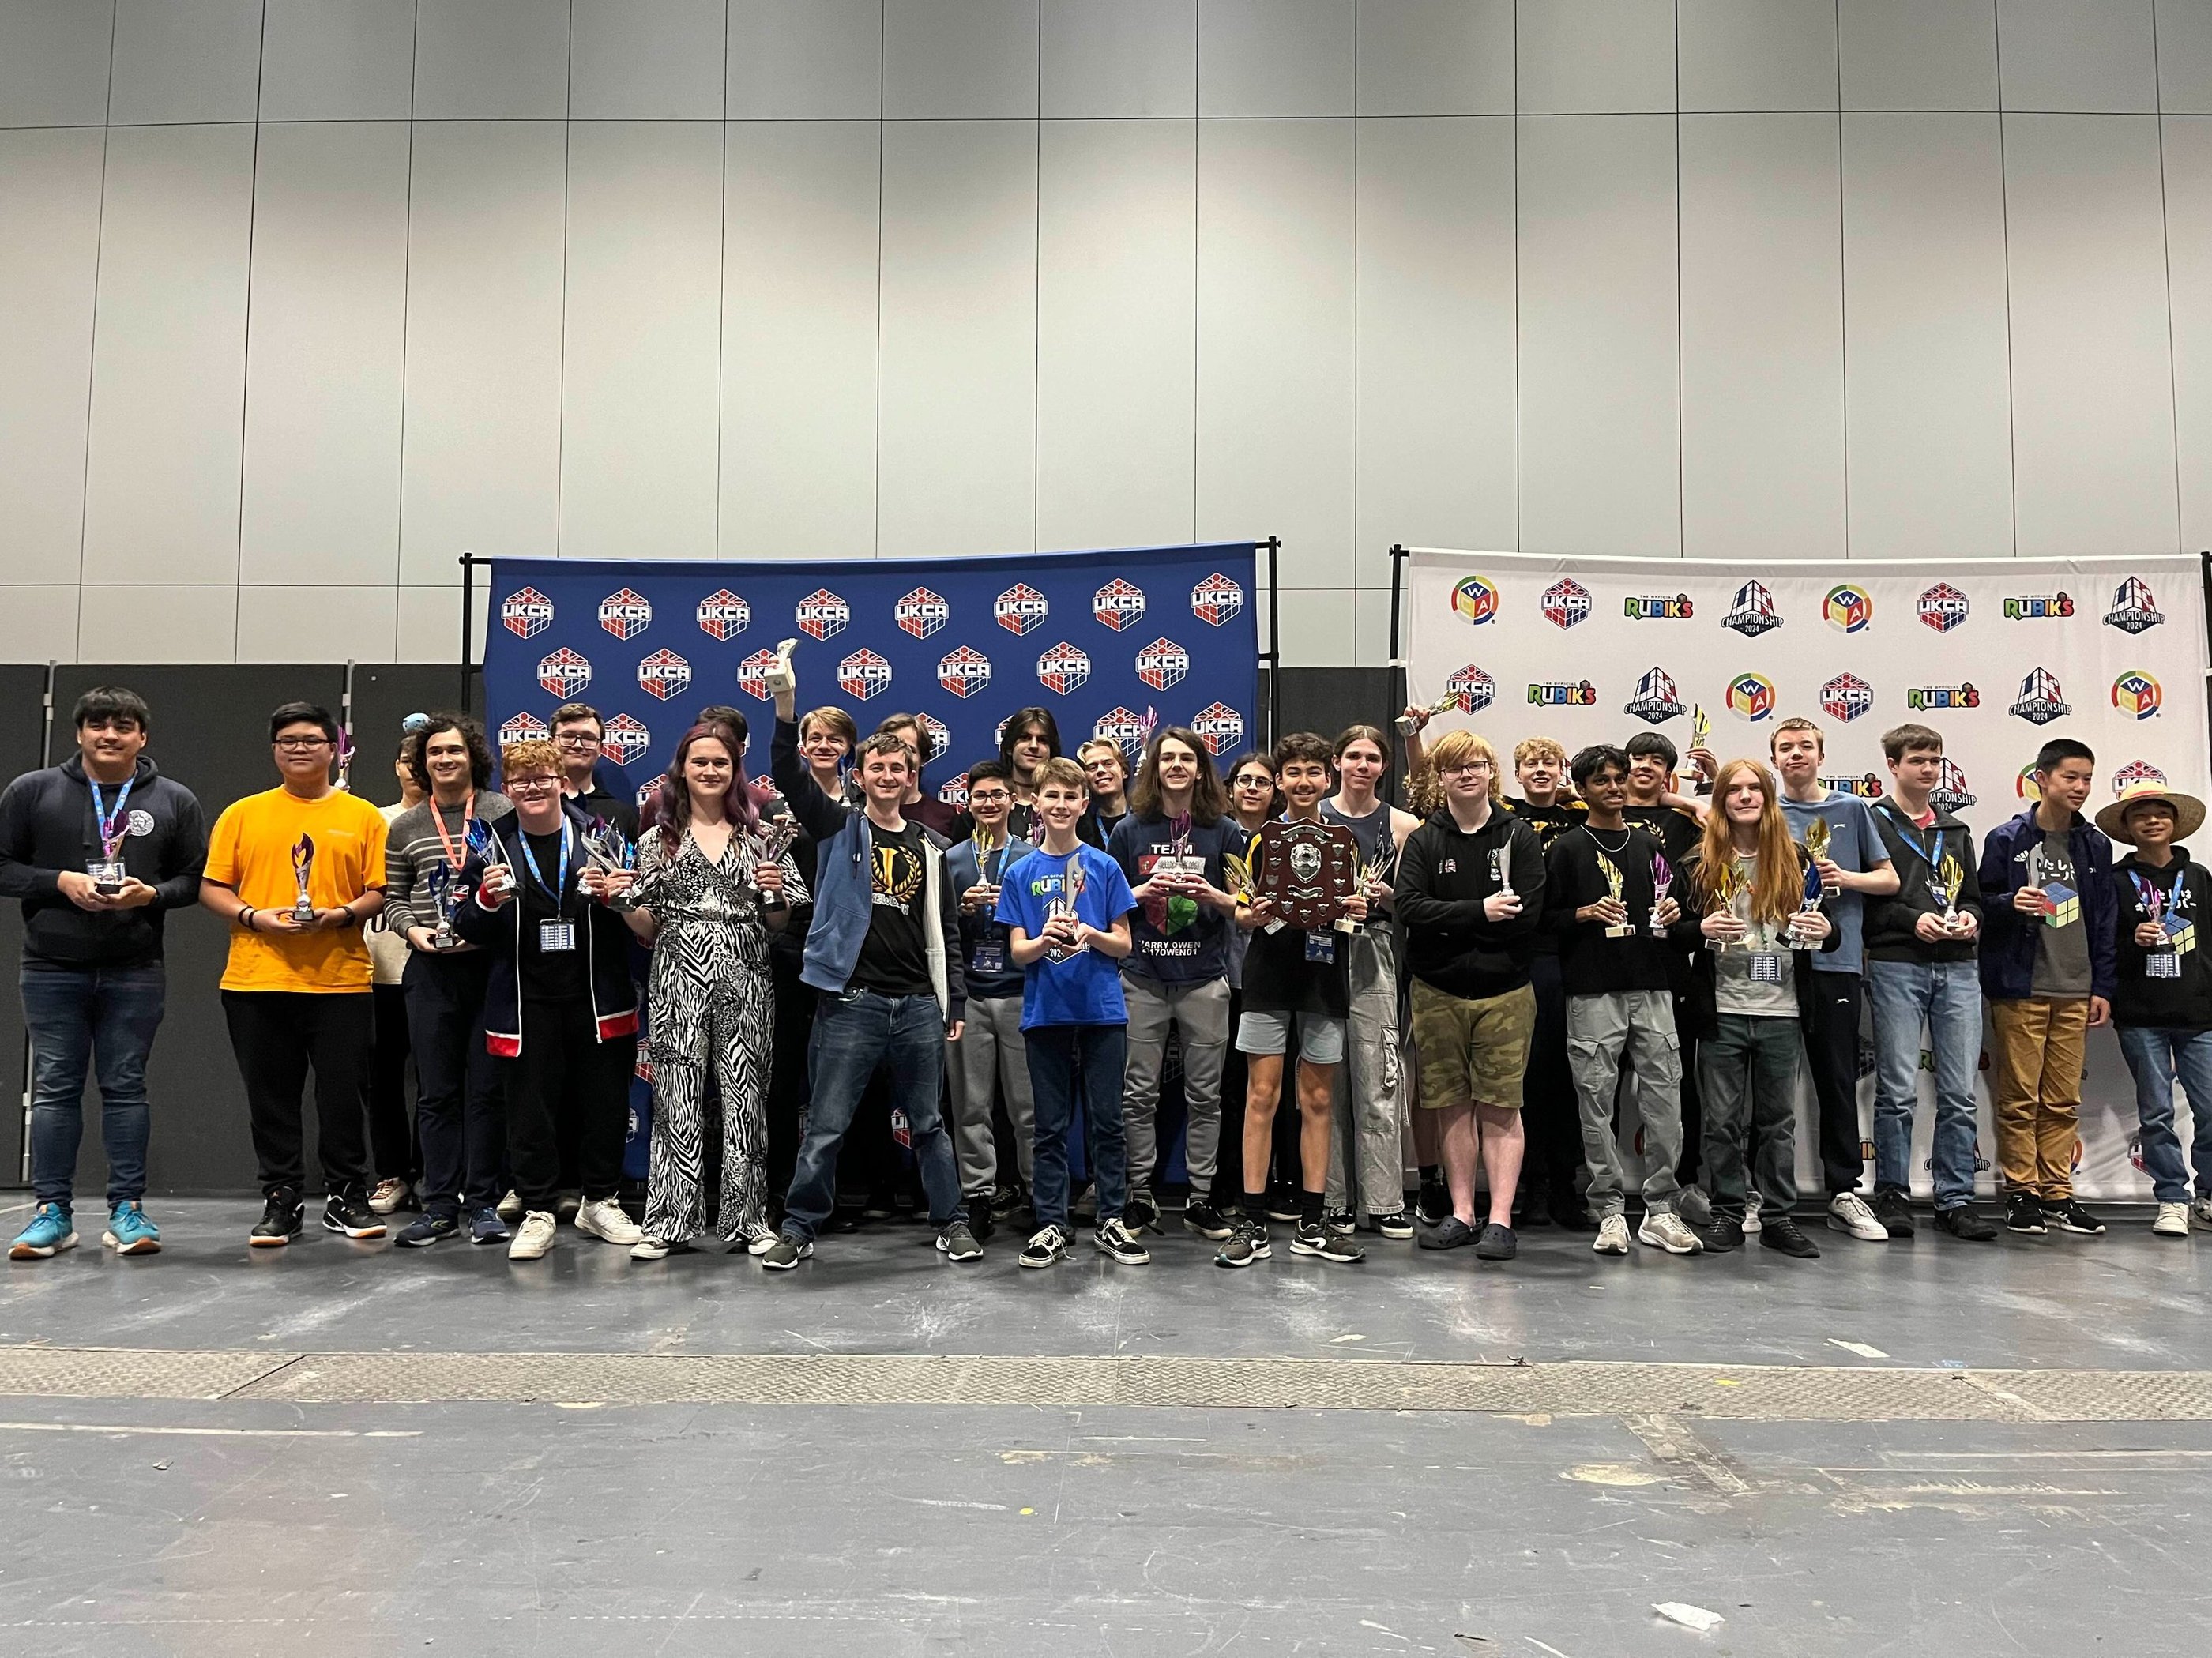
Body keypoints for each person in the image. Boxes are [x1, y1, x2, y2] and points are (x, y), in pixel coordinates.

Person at [763, 702, 975, 1269]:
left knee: (930, 1124)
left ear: (912, 777)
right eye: (875, 767)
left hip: (919, 1005)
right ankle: (800, 1225)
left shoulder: (933, 845)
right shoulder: (837, 824)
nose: (886, 776)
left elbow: (947, 929)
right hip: (851, 1001)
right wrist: (788, 711)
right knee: (828, 1124)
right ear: (859, 775)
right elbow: (787, 771)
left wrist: (950, 995)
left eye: (897, 769)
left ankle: (951, 1221)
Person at [1, 687, 206, 1260]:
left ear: (142, 736)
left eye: (122, 725)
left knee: (124, 1088)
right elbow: (3, 864)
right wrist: (58, 881)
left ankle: (127, 1210)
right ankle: (52, 1213)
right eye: (97, 724)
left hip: (134, 968)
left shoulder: (173, 799)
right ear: (79, 732)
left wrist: (151, 894)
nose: (108, 735)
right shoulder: (33, 791)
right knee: (55, 1088)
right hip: (50, 965)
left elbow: (195, 878)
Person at [604, 723, 806, 1258]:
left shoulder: (763, 835)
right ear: (682, 770)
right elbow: (646, 926)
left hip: (747, 970)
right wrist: (623, 903)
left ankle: (749, 1220)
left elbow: (782, 923)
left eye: (721, 762)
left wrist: (773, 892)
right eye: (700, 762)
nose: (711, 771)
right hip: (677, 972)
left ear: (735, 769)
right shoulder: (656, 840)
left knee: (747, 1099)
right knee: (675, 1095)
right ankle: (669, 1220)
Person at [199, 701, 390, 1246]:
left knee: (342, 1099)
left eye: (311, 738)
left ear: (334, 748)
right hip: (256, 981)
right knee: (271, 1100)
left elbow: (378, 888)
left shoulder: (364, 816)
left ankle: (346, 1195)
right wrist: (252, 916)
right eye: (287, 740)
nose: (299, 747)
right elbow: (212, 886)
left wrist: (345, 914)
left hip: (340, 980)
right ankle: (281, 1197)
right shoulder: (242, 813)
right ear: (274, 750)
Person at [451, 739, 643, 1261]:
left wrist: (616, 895)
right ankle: (537, 1207)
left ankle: (599, 1199)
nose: (533, 789)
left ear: (562, 781)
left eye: (542, 779)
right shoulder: (489, 841)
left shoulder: (601, 835)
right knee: (529, 1111)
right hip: (524, 1000)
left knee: (605, 1105)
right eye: (521, 782)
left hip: (598, 998)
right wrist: (486, 900)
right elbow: (462, 922)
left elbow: (638, 908)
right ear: (507, 789)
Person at [1218, 732, 1370, 1269]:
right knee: (1262, 1095)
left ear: (1327, 778)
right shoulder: (1263, 838)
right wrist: (1250, 914)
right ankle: (1252, 1219)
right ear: (1279, 781)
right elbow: (1240, 911)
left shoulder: (1344, 839)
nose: (1303, 782)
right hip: (1268, 976)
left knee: (1319, 1099)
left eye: (1313, 772)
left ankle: (1312, 1220)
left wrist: (1356, 908)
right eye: (1293, 773)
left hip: (1323, 976)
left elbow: (1353, 909)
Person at [1544, 744, 1702, 1257]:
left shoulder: (1651, 846)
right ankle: (1609, 1209)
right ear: (1583, 788)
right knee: (1595, 1099)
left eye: (1619, 778)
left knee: (1665, 1100)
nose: (1613, 787)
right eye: (1602, 780)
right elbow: (1543, 922)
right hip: (1591, 989)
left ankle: (1661, 1208)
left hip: (1652, 984)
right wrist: (1583, 914)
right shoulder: (1567, 848)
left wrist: (1676, 912)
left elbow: (1671, 914)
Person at [1394, 729, 1545, 1259]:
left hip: (1504, 991)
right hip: (1436, 990)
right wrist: (1478, 912)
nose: (1465, 773)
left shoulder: (1519, 836)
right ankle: (1462, 1212)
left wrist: (1451, 922)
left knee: (1501, 1105)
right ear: (1440, 778)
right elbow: (1409, 907)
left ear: (1490, 772)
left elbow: (1527, 917)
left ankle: (1499, 1218)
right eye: (1454, 767)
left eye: (1475, 764)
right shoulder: (1424, 840)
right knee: (1450, 1104)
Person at [997, 756, 1146, 1268]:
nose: (1060, 805)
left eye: (1070, 797)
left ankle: (1110, 1217)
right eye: (1051, 796)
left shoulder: (1103, 866)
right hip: (1046, 1012)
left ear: (1085, 803)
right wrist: (1044, 940)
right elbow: (1018, 952)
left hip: (1102, 1011)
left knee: (1108, 1121)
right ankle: (1052, 1223)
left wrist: (1091, 933)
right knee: (1050, 1126)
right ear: (1035, 802)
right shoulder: (1020, 871)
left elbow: (1124, 943)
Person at [1680, 758, 1832, 1258]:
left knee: (1777, 1122)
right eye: (1734, 790)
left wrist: (1826, 932)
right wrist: (1698, 931)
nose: (1745, 797)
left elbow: (1825, 928)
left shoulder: (1798, 857)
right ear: (1720, 800)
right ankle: (1726, 1212)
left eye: (1754, 789)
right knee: (1721, 1120)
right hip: (1721, 1008)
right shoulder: (1697, 862)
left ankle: (1777, 1217)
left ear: (1768, 798)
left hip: (1782, 1009)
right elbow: (1671, 931)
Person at [379, 716, 515, 1247]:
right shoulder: (406, 825)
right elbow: (391, 895)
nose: (444, 759)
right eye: (435, 752)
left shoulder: (501, 812)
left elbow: (516, 880)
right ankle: (438, 1205)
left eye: (454, 750)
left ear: (472, 757)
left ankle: (482, 1202)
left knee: (485, 1090)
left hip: (490, 966)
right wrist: (412, 932)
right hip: (430, 969)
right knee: (436, 1093)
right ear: (423, 761)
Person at [1977, 737, 2116, 1237]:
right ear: (2042, 778)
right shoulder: (2006, 839)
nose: (2079, 788)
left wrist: (2103, 985)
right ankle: (2022, 1193)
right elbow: (1979, 905)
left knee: (2061, 1099)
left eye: (2086, 779)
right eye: (2070, 777)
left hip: (2076, 988)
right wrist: (2011, 901)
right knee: (2019, 1098)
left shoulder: (2097, 844)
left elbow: (2104, 920)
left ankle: (2059, 1193)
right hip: (2022, 985)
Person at [1863, 723, 1996, 1240]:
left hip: (1959, 964)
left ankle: (1956, 1198)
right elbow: (1863, 906)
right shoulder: (1872, 823)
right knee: (1897, 1089)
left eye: (1935, 760)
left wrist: (1969, 919)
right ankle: (1892, 1192)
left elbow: (1975, 898)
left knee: (1960, 1092)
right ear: (1893, 766)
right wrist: (1907, 920)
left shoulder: (1955, 831)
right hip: (1897, 962)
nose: (1928, 768)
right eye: (1918, 759)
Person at [1108, 728, 1243, 1238]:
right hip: (1143, 978)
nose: (1177, 766)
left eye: (1187, 758)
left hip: (1205, 980)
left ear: (1201, 768)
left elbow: (1245, 909)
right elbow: (1107, 902)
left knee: (1205, 1097)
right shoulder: (1129, 829)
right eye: (1168, 758)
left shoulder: (1224, 831)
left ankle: (1201, 1197)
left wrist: (1213, 895)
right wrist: (1141, 891)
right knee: (1137, 1094)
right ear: (1154, 767)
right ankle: (1140, 1196)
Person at [1768, 717, 1898, 1243]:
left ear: (1821, 755)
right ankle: (1762, 1192)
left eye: (1805, 747)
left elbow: (1889, 878)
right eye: (1786, 748)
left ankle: (1844, 1190)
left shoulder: (1852, 808)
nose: (1796, 754)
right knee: (1767, 1087)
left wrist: (1846, 877)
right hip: (1772, 965)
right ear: (1773, 758)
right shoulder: (1767, 811)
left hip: (1837, 962)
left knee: (1838, 1081)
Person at [2097, 783, 2212, 1236]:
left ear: (2174, 823)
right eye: (2141, 815)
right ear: (2127, 827)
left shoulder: (2199, 876)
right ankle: (2172, 1198)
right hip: (2140, 1011)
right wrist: (2133, 941)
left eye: (2161, 814)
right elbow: (2102, 945)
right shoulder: (2115, 881)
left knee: (2210, 1109)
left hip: (2199, 1013)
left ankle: (2208, 1195)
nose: (2152, 821)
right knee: (2157, 1111)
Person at [1320, 725, 1421, 1237]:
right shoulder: (1313, 819)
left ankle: (1383, 1201)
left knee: (1380, 1074)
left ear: (1384, 766)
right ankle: (1335, 1198)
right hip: (1320, 953)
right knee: (1327, 1079)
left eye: (1372, 757)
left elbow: (1420, 902)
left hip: (1375, 951)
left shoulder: (1403, 825)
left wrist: (1385, 896)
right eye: (1353, 755)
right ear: (1336, 762)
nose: (1362, 764)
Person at [1502, 736, 1593, 1231]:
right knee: (1531, 1075)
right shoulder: (1502, 817)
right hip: (1526, 955)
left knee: (1571, 1077)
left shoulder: (1583, 817)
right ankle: (1530, 1186)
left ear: (1563, 772)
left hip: (1574, 956)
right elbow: (1434, 790)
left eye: (1550, 763)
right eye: (1530, 763)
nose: (1540, 770)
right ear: (1516, 773)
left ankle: (1568, 1185)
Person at [946, 759, 1036, 1236]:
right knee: (971, 1107)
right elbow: (938, 931)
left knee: (1028, 1108)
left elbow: (1047, 923)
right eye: (979, 796)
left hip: (1021, 993)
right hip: (970, 998)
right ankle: (978, 1196)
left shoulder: (1029, 858)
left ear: (1010, 801)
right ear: (969, 801)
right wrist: (961, 910)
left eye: (997, 795)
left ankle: (1039, 1196)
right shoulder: (952, 859)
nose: (988, 803)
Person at [1623, 730, 1710, 1206]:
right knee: (1605, 1083)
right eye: (1637, 758)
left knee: (1678, 1080)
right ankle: (1598, 1188)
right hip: (1610, 964)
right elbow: (1563, 788)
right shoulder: (1599, 810)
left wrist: (1690, 802)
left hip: (1672, 963)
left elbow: (1724, 824)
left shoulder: (1687, 821)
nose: (1645, 766)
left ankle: (1687, 1178)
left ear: (1668, 771)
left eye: (1657, 761)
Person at [1216, 751, 1280, 1216]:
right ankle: (1228, 1189)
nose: (1252, 788)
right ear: (1230, 789)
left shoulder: (1285, 841)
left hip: (1274, 980)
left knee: (1278, 1094)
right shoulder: (1216, 838)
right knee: (1232, 1093)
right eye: (1244, 781)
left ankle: (1276, 1184)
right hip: (1225, 979)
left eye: (1261, 781)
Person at [366, 733, 427, 1218]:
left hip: (438, 969)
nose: (414, 768)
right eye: (407, 760)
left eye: (420, 760)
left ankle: (433, 1174)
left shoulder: (462, 823)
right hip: (380, 970)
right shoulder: (372, 819)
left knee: (438, 1082)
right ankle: (392, 1173)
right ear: (397, 767)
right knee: (383, 1080)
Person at [551, 702, 640, 840]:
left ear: (600, 749)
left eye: (588, 738)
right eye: (568, 736)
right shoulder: (533, 806)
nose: (578, 745)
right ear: (551, 744)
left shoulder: (624, 815)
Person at [999, 707, 1061, 840]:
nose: (1034, 746)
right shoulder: (989, 803)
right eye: (1025, 738)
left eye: (1042, 740)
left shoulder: (1067, 805)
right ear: (1010, 747)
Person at [1076, 739, 1133, 848]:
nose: (1100, 770)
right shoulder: (1079, 827)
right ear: (1085, 779)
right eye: (1092, 767)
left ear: (1124, 771)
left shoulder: (1145, 819)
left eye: (1108, 763)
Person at [796, 705, 857, 803]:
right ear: (804, 746)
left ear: (849, 748)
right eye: (816, 739)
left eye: (834, 739)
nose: (823, 746)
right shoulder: (780, 808)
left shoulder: (868, 804)